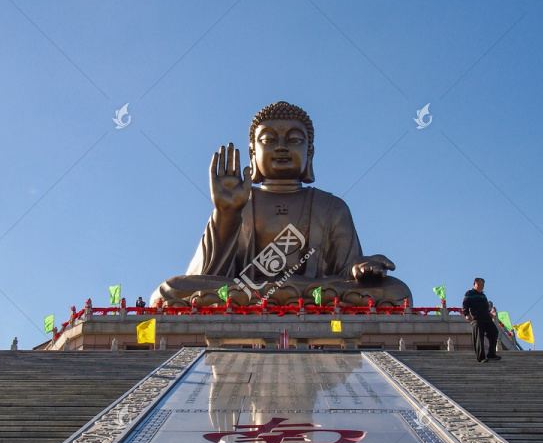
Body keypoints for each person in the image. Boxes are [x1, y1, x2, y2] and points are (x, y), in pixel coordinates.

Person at [151, 102, 411, 307]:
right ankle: (272, 296)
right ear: (253, 153)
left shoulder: (331, 206)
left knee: (396, 290)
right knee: (169, 289)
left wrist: (361, 269)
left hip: (311, 291)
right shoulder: (241, 202)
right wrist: (226, 213)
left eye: (295, 139)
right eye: (269, 140)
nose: (282, 148)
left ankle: (275, 296)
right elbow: (207, 272)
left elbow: (345, 270)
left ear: (309, 153)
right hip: (247, 289)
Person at [462, 278, 500, 363]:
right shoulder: (470, 293)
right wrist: (466, 314)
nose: (480, 286)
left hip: (486, 318)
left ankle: (491, 354)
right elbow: (465, 304)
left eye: (482, 285)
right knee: (479, 338)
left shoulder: (483, 296)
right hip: (476, 319)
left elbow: (486, 308)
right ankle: (481, 357)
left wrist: (489, 307)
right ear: (474, 284)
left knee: (494, 332)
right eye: (478, 284)